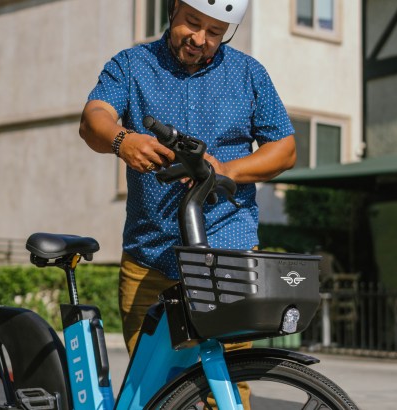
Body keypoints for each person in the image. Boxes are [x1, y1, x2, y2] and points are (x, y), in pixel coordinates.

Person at [79, 0, 295, 407]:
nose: (200, 39)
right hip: (151, 256)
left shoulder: (249, 74)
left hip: (227, 255)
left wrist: (227, 170)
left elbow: (284, 149)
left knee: (226, 389)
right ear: (173, 9)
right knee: (154, 391)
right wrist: (122, 140)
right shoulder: (131, 64)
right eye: (192, 23)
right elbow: (94, 119)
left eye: (215, 32)